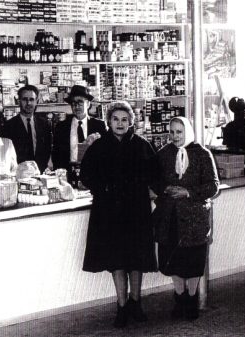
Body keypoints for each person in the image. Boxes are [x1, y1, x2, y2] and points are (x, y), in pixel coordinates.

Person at [79, 101, 157, 328]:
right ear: (109, 121)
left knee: (136, 259)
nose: (120, 123)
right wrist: (103, 189)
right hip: (109, 212)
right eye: (116, 119)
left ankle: (136, 302)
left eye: (125, 119)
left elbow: (154, 173)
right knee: (117, 260)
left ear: (131, 122)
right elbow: (86, 175)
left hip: (136, 211)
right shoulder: (99, 146)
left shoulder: (142, 145)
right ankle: (122, 305)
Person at [150, 116, 219, 321]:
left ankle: (191, 300)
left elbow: (213, 186)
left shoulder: (202, 154)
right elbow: (153, 179)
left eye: (179, 132)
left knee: (193, 261)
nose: (174, 136)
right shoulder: (163, 154)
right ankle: (179, 299)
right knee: (174, 261)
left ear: (187, 131)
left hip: (194, 219)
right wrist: (164, 189)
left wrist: (188, 192)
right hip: (169, 217)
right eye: (171, 132)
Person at [51, 85, 106, 170]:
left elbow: (104, 154)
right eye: (73, 103)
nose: (76, 106)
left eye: (80, 102)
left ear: (88, 104)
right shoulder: (61, 127)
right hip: (68, 174)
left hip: (92, 173)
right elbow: (56, 155)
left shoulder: (99, 125)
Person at [0, 85, 52, 172]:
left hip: (40, 172)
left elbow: (47, 149)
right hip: (19, 174)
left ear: (37, 102)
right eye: (24, 99)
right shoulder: (8, 126)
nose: (28, 103)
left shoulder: (44, 124)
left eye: (31, 99)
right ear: (18, 101)